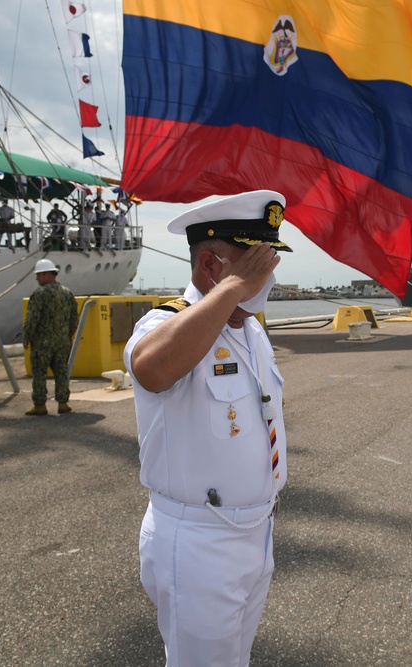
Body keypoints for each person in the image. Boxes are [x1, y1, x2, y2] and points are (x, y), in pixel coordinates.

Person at [124, 190, 292, 665]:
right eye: (255, 263)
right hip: (199, 542)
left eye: (270, 261)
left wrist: (237, 294)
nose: (269, 274)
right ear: (210, 265)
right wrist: (234, 289)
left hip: (256, 533)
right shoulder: (165, 322)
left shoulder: (251, 330)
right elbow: (152, 368)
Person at [22, 259, 78, 416]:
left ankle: (40, 405)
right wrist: (67, 336)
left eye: (39, 275)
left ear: (47, 275)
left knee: (39, 373)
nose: (37, 278)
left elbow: (32, 318)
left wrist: (27, 337)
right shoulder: (67, 293)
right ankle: (63, 403)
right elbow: (74, 318)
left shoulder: (39, 294)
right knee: (61, 371)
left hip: (42, 343)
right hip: (62, 342)